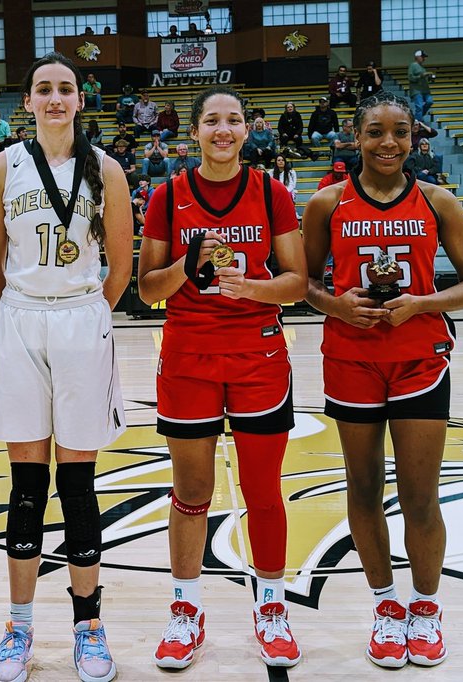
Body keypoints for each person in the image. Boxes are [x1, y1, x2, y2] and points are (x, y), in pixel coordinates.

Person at [300, 91, 463, 671]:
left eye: (400, 132)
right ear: (355, 137)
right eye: (376, 132)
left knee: (419, 496)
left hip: (419, 358)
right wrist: (336, 304)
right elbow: (303, 284)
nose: (388, 142)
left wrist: (422, 304)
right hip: (351, 359)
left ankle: (426, 608)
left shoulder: (438, 200)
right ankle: (386, 606)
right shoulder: (326, 203)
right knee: (362, 489)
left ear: (414, 138)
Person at [137, 84, 307, 672]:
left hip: (258, 355)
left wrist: (251, 288)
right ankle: (186, 609)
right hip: (189, 356)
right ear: (194, 132)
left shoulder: (271, 192)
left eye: (233, 120)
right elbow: (147, 290)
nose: (223, 130)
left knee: (262, 491)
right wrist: (190, 265)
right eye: (212, 120)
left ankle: (272, 607)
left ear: (246, 129)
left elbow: (297, 283)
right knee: (190, 492)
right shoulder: (167, 196)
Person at [0, 52, 132, 682]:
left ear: (80, 99)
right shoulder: (2, 166)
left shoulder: (106, 168)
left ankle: (88, 626)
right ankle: (19, 626)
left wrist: (85, 314)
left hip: (80, 321)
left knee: (77, 483)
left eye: (66, 88)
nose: (55, 98)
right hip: (20, 319)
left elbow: (119, 266)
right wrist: (19, 308)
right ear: (29, 102)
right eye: (44, 89)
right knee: (25, 484)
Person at [407, 51, 434, 120]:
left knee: (429, 101)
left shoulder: (422, 67)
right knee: (419, 107)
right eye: (422, 57)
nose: (424, 59)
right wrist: (421, 76)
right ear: (417, 57)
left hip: (425, 90)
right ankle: (418, 121)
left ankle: (418, 118)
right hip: (416, 90)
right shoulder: (413, 65)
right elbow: (410, 78)